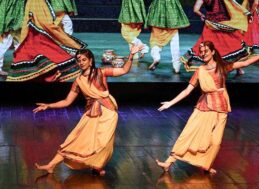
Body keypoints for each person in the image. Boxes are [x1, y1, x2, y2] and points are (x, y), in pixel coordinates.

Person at [156, 41, 259, 174]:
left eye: (206, 51)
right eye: (201, 52)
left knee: (216, 142)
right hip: (204, 107)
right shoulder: (200, 71)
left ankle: (206, 165)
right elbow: (187, 90)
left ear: (212, 52)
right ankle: (169, 162)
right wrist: (170, 103)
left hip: (222, 107)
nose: (203, 54)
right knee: (189, 134)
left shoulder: (222, 66)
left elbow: (244, 63)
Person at [33, 44, 143, 175]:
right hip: (91, 113)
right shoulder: (78, 81)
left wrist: (131, 55)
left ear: (90, 61)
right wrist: (48, 106)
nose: (81, 63)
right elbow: (67, 101)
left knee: (102, 142)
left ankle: (97, 166)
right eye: (78, 60)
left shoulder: (101, 72)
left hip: (108, 112)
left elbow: (124, 70)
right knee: (75, 139)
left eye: (84, 60)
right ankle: (51, 165)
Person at [181, 0, 250, 75]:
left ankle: (212, 70)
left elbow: (195, 10)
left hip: (211, 25)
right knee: (232, 46)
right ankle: (238, 69)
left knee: (210, 47)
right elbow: (233, 6)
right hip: (225, 24)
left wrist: (201, 15)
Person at [146, 0, 190, 74]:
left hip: (157, 13)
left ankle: (156, 57)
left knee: (155, 39)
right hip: (172, 13)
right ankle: (176, 67)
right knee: (174, 41)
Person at [0, 0, 25, 76]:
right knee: (5, 41)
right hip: (10, 13)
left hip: (19, 12)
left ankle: (19, 66)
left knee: (20, 42)